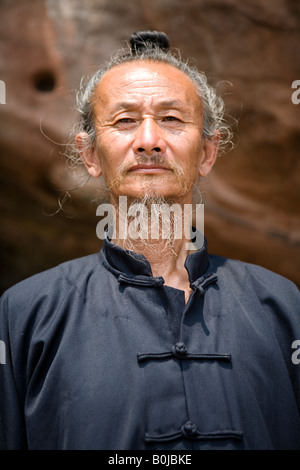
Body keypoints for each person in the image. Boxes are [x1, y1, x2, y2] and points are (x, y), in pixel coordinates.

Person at [0, 31, 299, 451]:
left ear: (208, 153)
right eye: (124, 121)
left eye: (172, 119)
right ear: (90, 155)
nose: (148, 140)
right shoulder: (26, 313)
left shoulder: (282, 306)